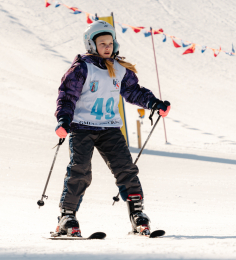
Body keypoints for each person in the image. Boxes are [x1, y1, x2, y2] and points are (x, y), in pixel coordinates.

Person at [52, 20, 171, 237]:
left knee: (125, 168)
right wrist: (63, 120)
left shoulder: (120, 69)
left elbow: (134, 92)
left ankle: (137, 215)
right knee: (80, 170)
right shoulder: (81, 68)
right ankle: (67, 217)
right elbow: (67, 96)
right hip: (82, 127)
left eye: (110, 43)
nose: (107, 47)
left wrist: (154, 103)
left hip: (110, 128)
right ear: (91, 45)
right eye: (102, 43)